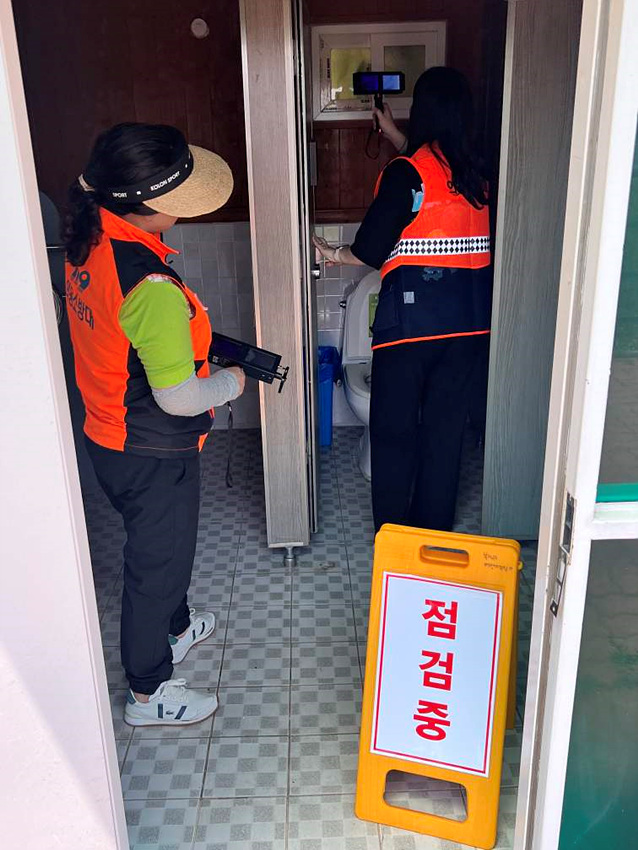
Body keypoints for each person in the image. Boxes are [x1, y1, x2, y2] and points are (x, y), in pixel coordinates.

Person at [64, 123, 245, 726]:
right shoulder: (151, 285)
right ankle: (148, 692)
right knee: (155, 568)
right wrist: (233, 382)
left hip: (106, 433)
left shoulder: (90, 240)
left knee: (162, 550)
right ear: (146, 205)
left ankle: (176, 627)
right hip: (150, 451)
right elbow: (180, 398)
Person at [314, 67, 491, 533]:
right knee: (444, 434)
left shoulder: (407, 172)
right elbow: (432, 182)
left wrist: (332, 253)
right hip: (470, 327)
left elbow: (369, 249)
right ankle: (432, 532)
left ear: (423, 110)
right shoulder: (478, 172)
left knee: (393, 433)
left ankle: (394, 535)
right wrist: (393, 133)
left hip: (410, 330)